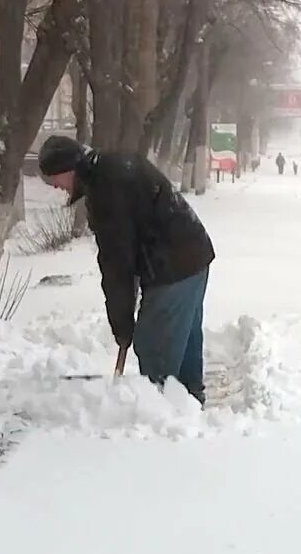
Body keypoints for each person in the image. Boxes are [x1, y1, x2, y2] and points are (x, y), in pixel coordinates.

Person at [38, 135, 215, 405]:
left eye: (54, 179)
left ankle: (161, 409)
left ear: (67, 168)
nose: (56, 187)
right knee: (184, 337)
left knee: (152, 344)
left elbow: (117, 262)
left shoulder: (106, 188)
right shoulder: (111, 168)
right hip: (192, 254)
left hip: (173, 266)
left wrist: (121, 324)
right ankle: (189, 404)